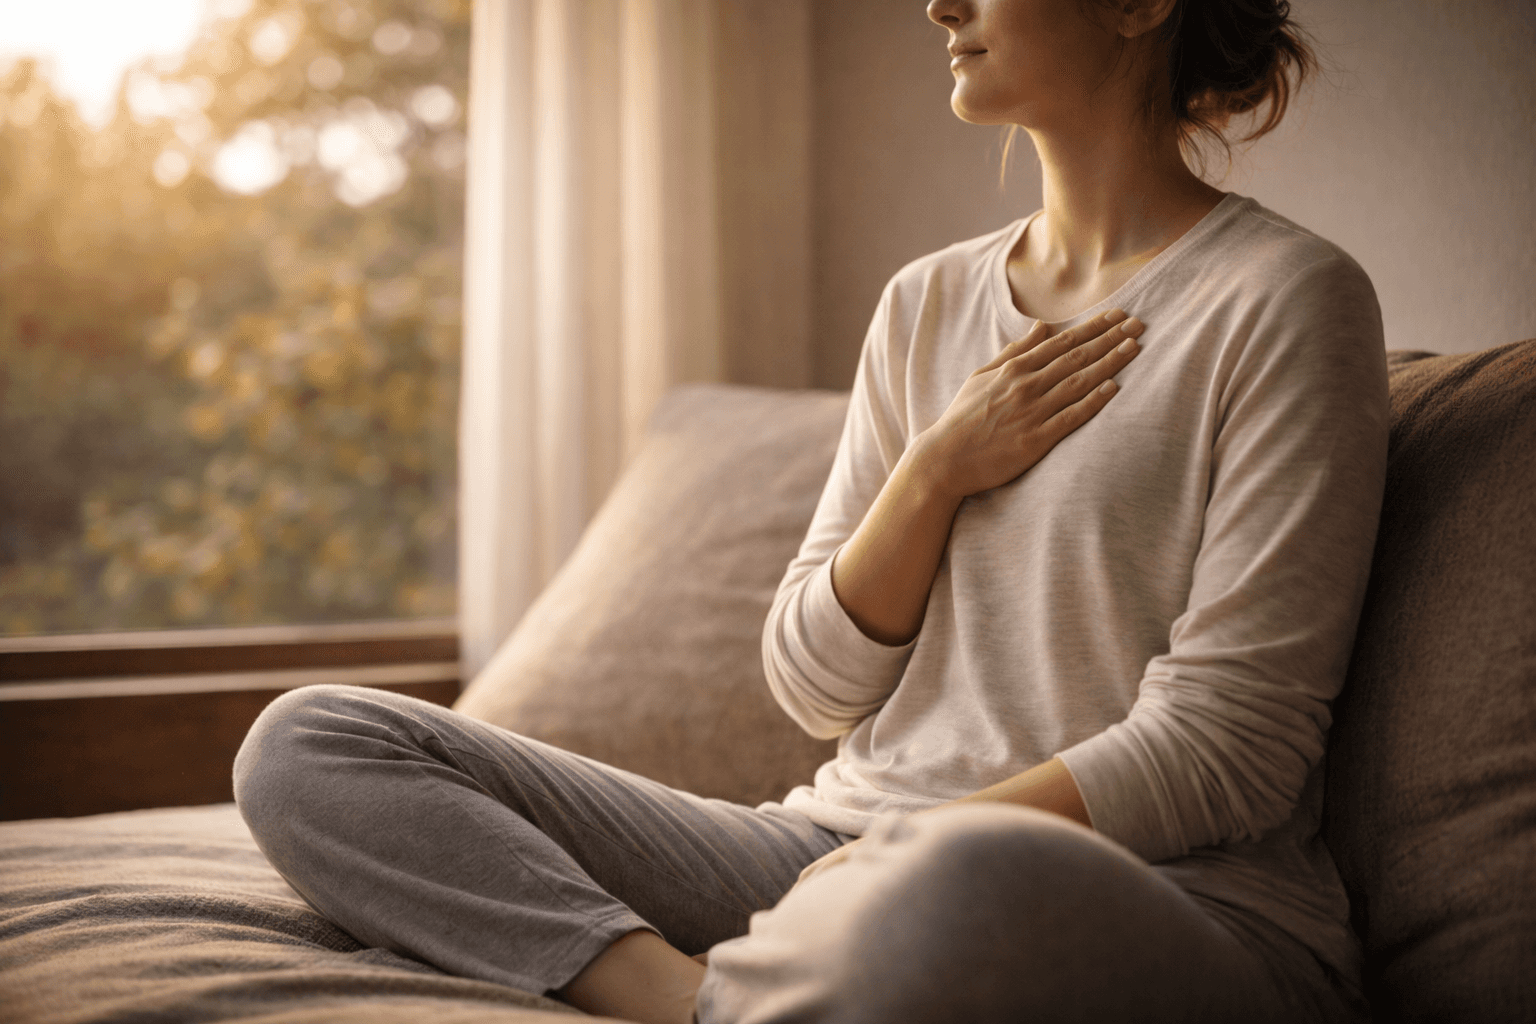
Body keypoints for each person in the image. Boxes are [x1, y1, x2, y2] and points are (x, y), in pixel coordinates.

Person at [233, 0, 1388, 1021]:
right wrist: (935, 470)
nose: (940, 6)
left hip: (1147, 891)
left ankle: (788, 974)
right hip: (833, 850)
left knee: (958, 888)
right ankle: (683, 999)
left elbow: (1234, 746)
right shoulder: (926, 303)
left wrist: (918, 851)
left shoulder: (1286, 300)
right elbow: (815, 685)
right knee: (311, 742)